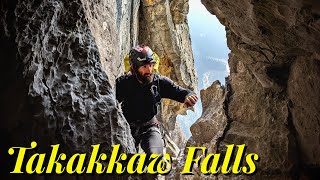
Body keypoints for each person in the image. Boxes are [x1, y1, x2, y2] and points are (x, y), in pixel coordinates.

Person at [116, 44, 198, 156]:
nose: (149, 70)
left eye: (151, 65)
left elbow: (181, 92)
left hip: (149, 127)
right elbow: (109, 102)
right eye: (144, 67)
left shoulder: (159, 82)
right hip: (126, 127)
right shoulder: (124, 83)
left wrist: (189, 96)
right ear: (134, 68)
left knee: (155, 158)